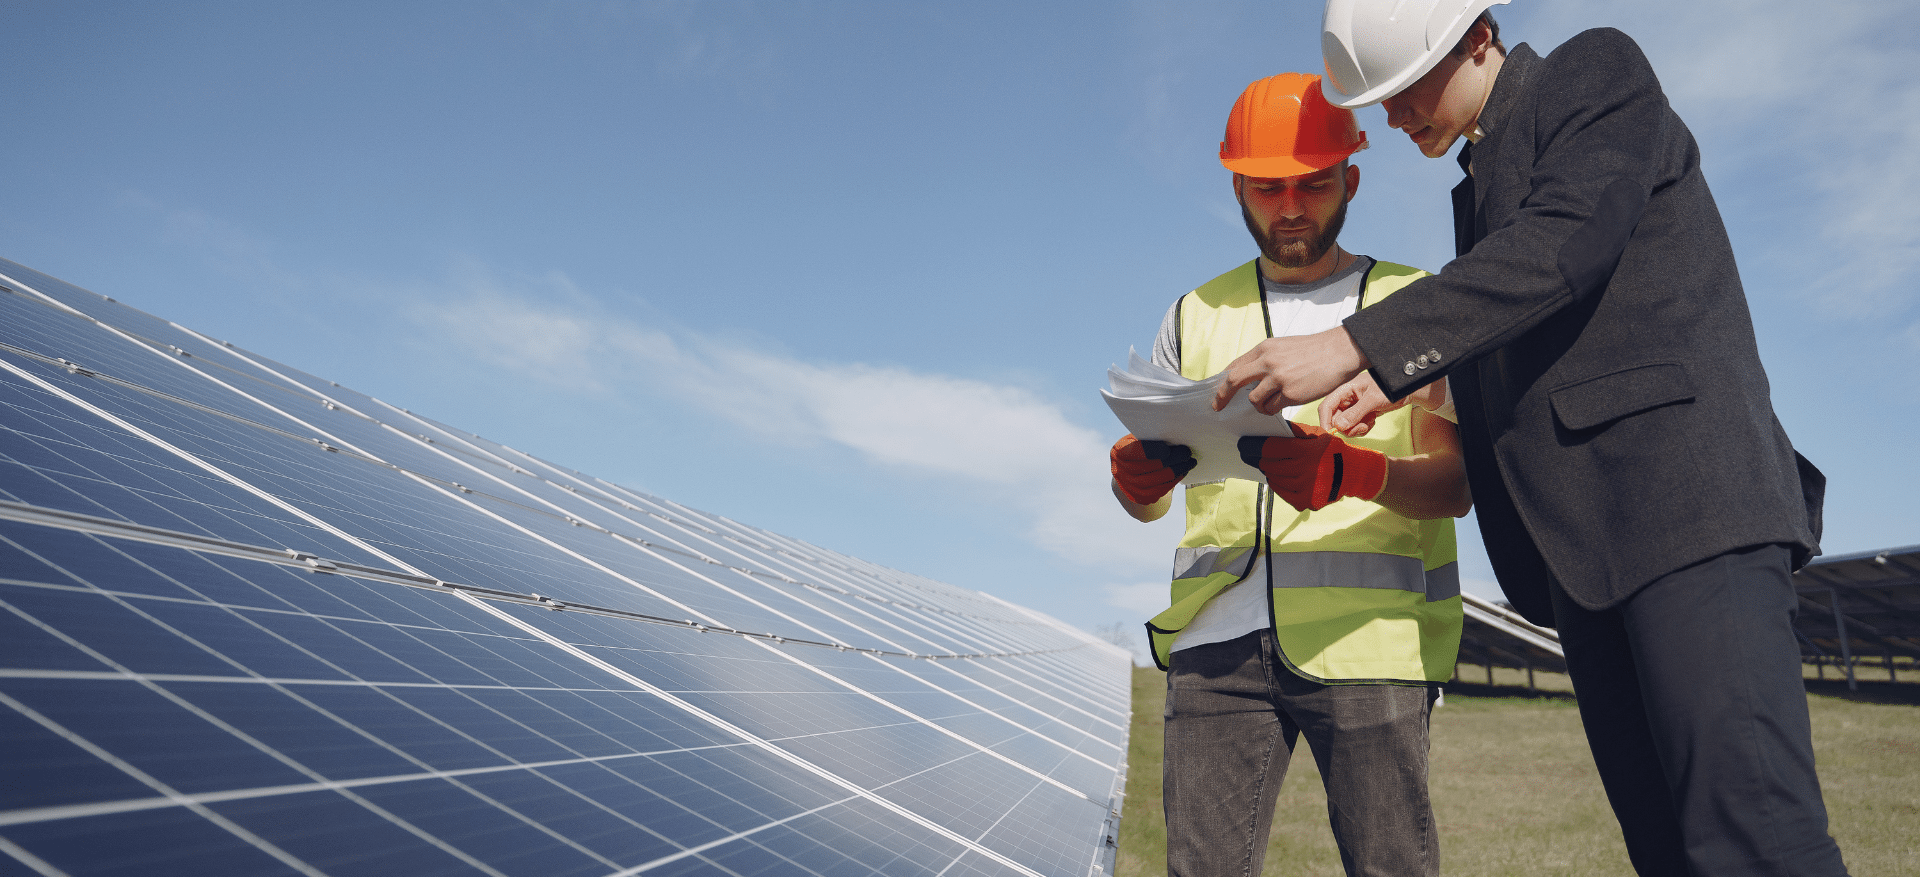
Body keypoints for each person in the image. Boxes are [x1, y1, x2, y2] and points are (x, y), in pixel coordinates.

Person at [1207, 2, 1849, 874]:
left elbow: (1561, 249)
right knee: (1666, 848)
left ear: (1478, 38)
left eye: (1402, 90)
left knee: (1754, 841)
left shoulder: (1595, 73)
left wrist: (1358, 342)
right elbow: (1542, 328)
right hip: (1589, 556)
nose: (1389, 118)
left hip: (1690, 517)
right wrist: (1413, 378)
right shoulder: (1481, 182)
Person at [1109, 72, 1470, 877]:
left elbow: (1456, 484)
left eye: (1312, 183)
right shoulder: (1193, 314)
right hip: (1213, 644)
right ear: (1237, 185)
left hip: (1370, 643)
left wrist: (1353, 472)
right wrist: (1135, 484)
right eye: (1268, 187)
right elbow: (1153, 500)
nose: (1291, 206)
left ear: (1352, 177)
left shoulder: (1412, 300)